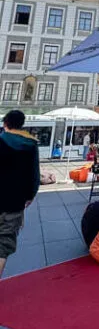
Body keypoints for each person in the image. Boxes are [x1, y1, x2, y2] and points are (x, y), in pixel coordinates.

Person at [0, 110, 41, 278]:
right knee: (3, 245)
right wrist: (29, 196)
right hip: (14, 202)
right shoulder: (31, 145)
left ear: (5, 123)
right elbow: (34, 175)